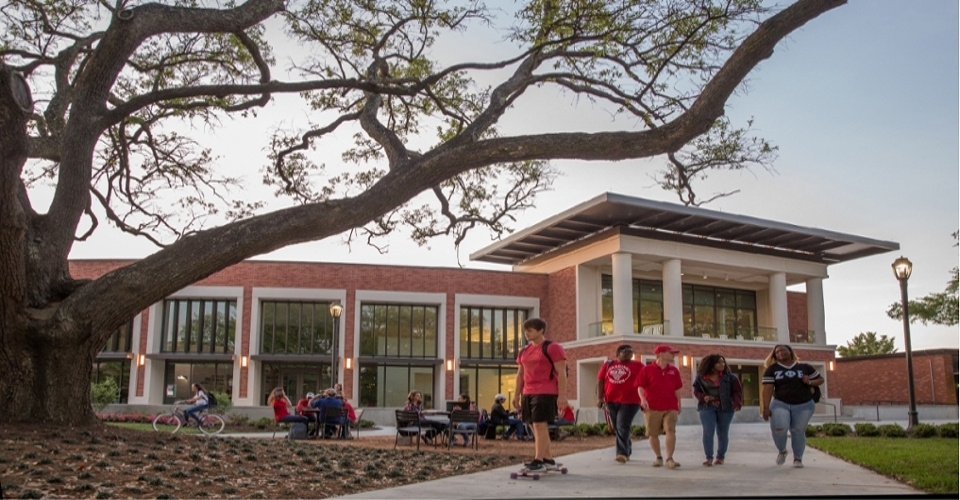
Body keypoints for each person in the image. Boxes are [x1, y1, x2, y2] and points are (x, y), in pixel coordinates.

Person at [513, 317, 567, 472]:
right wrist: (516, 395)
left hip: (546, 391)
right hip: (527, 392)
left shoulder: (553, 347)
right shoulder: (524, 351)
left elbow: (562, 373)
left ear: (541, 330)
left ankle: (538, 460)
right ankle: (548, 459)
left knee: (539, 424)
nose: (526, 333)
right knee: (533, 425)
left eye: (530, 330)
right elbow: (520, 374)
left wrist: (562, 396)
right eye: (525, 331)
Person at [761, 344, 823, 468]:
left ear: (790, 351)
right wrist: (766, 408)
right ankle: (782, 451)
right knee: (779, 429)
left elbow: (820, 380)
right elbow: (767, 390)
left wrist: (809, 381)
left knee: (798, 431)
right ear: (775, 356)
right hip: (780, 403)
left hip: (804, 404)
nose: (780, 353)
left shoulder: (804, 367)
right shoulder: (772, 369)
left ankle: (798, 458)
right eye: (777, 352)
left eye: (783, 350)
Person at [597, 344, 644, 463]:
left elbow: (646, 381)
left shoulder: (639, 366)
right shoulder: (608, 364)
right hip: (611, 401)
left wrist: (646, 399)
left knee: (622, 425)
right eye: (626, 351)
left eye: (631, 352)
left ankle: (622, 453)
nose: (629, 353)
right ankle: (627, 449)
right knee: (618, 427)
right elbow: (600, 381)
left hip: (631, 401)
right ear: (618, 353)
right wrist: (599, 398)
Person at [638, 344, 683, 469]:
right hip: (652, 406)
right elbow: (640, 386)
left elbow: (677, 389)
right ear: (661, 354)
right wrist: (642, 399)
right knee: (653, 434)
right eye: (671, 352)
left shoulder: (674, 371)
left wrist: (679, 403)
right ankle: (658, 457)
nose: (673, 355)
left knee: (670, 430)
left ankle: (669, 458)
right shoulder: (646, 370)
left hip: (670, 406)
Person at [693, 354, 742, 466]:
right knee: (708, 431)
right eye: (719, 362)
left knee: (723, 433)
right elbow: (696, 391)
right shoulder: (701, 377)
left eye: (723, 362)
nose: (722, 364)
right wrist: (703, 397)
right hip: (707, 406)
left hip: (725, 407)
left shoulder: (731, 378)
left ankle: (720, 457)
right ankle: (709, 457)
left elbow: (737, 391)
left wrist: (737, 403)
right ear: (711, 364)